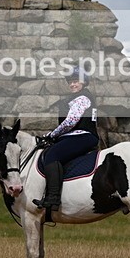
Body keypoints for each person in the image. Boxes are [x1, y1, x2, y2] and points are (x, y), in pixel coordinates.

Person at [32, 66, 99, 212]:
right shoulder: (84, 97)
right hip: (81, 135)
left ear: (83, 82)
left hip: (81, 136)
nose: (72, 84)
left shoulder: (81, 98)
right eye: (70, 82)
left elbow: (70, 122)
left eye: (76, 81)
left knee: (52, 155)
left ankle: (53, 198)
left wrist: (52, 135)